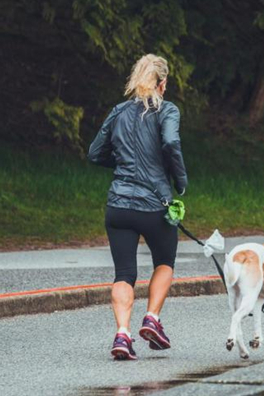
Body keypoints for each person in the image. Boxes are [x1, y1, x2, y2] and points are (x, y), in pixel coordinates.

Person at [87, 54, 187, 361]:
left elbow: (94, 153)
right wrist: (179, 181)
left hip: (118, 205)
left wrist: (121, 165)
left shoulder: (118, 111)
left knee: (125, 273)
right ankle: (152, 318)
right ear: (162, 83)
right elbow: (170, 143)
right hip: (154, 204)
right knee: (165, 261)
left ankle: (122, 335)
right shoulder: (166, 109)